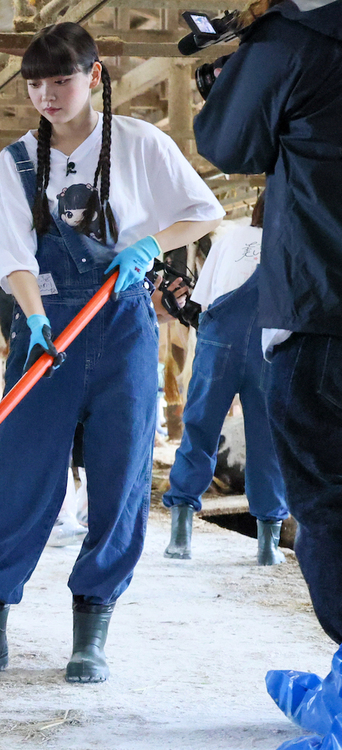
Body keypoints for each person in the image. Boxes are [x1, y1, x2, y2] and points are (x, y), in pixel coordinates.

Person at [0, 22, 223, 685]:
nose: (46, 94)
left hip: (121, 329)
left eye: (60, 80)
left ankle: (90, 634)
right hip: (47, 334)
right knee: (20, 480)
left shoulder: (137, 143)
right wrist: (34, 322)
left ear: (92, 76)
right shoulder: (16, 161)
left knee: (119, 479)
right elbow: (12, 257)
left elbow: (202, 209)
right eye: (34, 83)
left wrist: (150, 245)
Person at [194, 0, 342, 644]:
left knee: (329, 503)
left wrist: (234, 79)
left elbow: (228, 142)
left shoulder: (295, 36)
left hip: (320, 312)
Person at [162, 193, 289, 565]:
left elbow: (203, 302)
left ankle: (180, 537)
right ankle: (267, 545)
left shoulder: (228, 237)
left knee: (199, 431)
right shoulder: (292, 245)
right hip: (268, 351)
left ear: (254, 211)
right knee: (266, 444)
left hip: (219, 347)